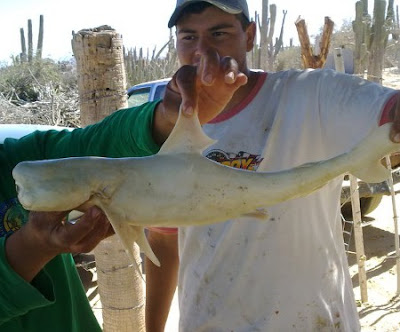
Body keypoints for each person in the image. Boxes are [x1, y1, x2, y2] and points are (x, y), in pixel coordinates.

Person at [144, 0, 400, 331]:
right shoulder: (167, 130)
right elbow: (164, 240)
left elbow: (386, 110)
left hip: (313, 323)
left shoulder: (309, 95)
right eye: (188, 37)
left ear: (249, 36)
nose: (202, 52)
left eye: (218, 33)